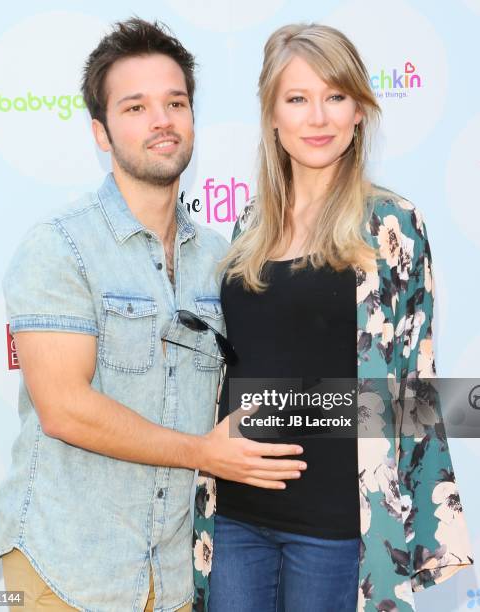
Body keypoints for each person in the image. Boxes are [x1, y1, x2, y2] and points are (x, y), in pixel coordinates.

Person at [0, 18, 307, 612]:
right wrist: (203, 453)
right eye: (135, 107)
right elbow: (64, 409)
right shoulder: (60, 245)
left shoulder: (224, 258)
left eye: (175, 103)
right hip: (66, 569)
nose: (162, 120)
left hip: (176, 574)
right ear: (101, 133)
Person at [192, 22, 475, 612]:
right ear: (272, 116)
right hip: (237, 517)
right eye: (297, 98)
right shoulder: (249, 226)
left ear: (359, 112)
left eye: (336, 97)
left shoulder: (392, 224)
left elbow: (413, 386)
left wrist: (423, 523)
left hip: (334, 526)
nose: (318, 117)